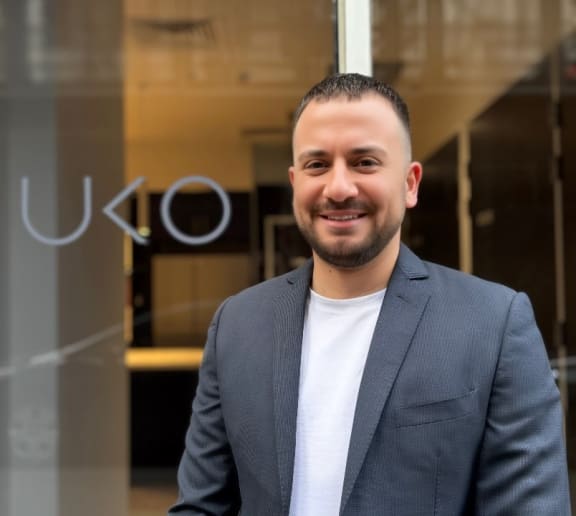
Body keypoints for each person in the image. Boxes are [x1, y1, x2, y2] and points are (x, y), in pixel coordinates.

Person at [168, 73, 571, 515]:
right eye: (317, 165)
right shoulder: (237, 325)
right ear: (295, 181)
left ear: (410, 183)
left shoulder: (493, 324)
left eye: (364, 162)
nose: (338, 188)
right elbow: (202, 507)